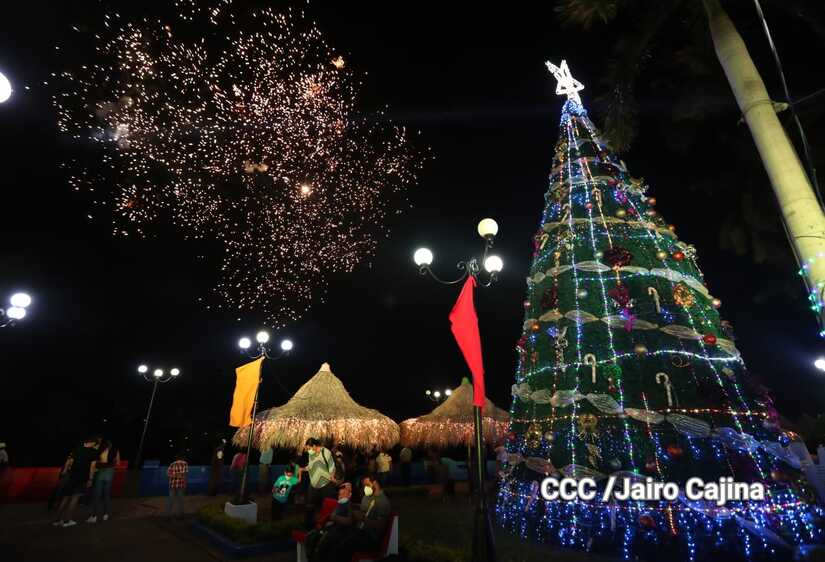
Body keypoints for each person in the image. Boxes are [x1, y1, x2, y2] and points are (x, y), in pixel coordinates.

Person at [325, 476, 391, 562]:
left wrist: (362, 518)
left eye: (367, 485)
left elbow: (380, 526)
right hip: (359, 530)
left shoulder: (383, 502)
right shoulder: (367, 497)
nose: (365, 488)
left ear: (374, 483)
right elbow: (361, 510)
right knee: (335, 535)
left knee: (345, 543)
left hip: (370, 537)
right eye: (364, 486)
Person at [54, 437, 99, 527]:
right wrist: (90, 479)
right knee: (74, 499)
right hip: (82, 478)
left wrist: (64, 472)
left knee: (65, 498)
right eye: (96, 444)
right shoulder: (93, 452)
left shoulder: (77, 448)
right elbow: (92, 467)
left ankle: (57, 520)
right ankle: (67, 521)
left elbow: (70, 461)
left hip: (71, 476)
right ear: (93, 443)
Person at [308, 482, 354, 562]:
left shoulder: (349, 505)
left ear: (349, 495)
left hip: (340, 531)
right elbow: (331, 516)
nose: (340, 496)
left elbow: (349, 521)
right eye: (339, 494)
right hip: (332, 528)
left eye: (343, 494)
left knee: (326, 542)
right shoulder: (340, 504)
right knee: (315, 537)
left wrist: (335, 518)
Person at [301, 437, 337, 530]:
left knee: (327, 506)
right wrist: (304, 469)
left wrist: (332, 476)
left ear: (314, 446)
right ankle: (309, 527)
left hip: (326, 484)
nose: (308, 450)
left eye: (309, 448)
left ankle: (327, 527)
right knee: (310, 506)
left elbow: (332, 466)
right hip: (313, 484)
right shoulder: (311, 454)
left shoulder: (326, 452)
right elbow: (310, 465)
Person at [87, 440, 120, 523]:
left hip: (101, 471)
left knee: (97, 494)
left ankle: (94, 516)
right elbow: (118, 463)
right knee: (107, 494)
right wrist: (112, 464)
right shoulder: (115, 450)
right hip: (110, 471)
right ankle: (106, 514)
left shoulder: (100, 451)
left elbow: (95, 463)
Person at [166, 451, 188, 519]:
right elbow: (184, 476)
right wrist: (184, 484)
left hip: (172, 485)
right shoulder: (185, 464)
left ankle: (168, 515)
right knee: (180, 501)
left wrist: (174, 475)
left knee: (170, 500)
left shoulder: (172, 464)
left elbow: (168, 475)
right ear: (183, 457)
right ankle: (180, 515)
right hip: (180, 485)